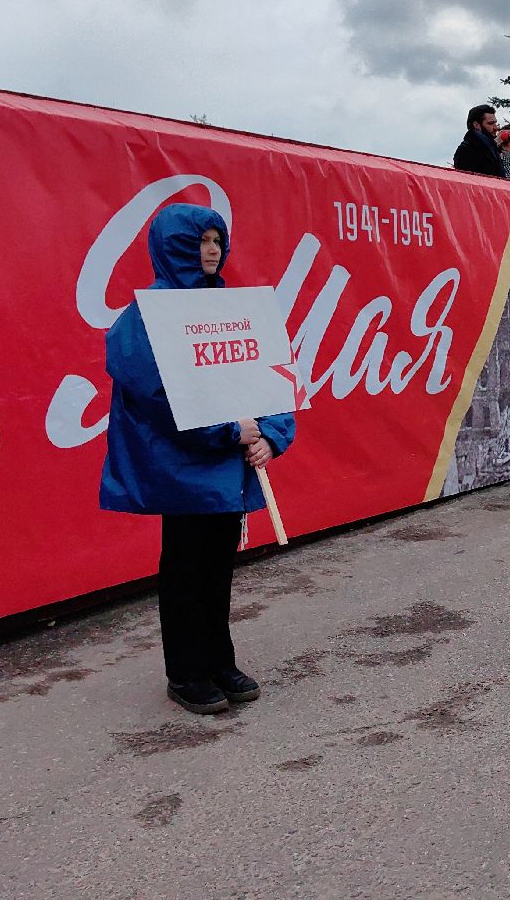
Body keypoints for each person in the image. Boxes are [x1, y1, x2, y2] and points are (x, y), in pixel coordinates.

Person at [100, 204, 298, 716]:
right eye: (202, 241)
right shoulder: (145, 317)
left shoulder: (232, 309)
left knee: (217, 567)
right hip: (183, 471)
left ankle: (218, 660)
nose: (212, 250)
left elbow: (270, 378)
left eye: (217, 240)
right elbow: (162, 400)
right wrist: (235, 431)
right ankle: (187, 671)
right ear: (174, 245)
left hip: (225, 468)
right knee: (187, 569)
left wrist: (271, 436)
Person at [452, 104, 503, 176]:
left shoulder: (492, 147)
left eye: (495, 123)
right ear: (476, 125)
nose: (496, 127)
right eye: (491, 123)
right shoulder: (466, 150)